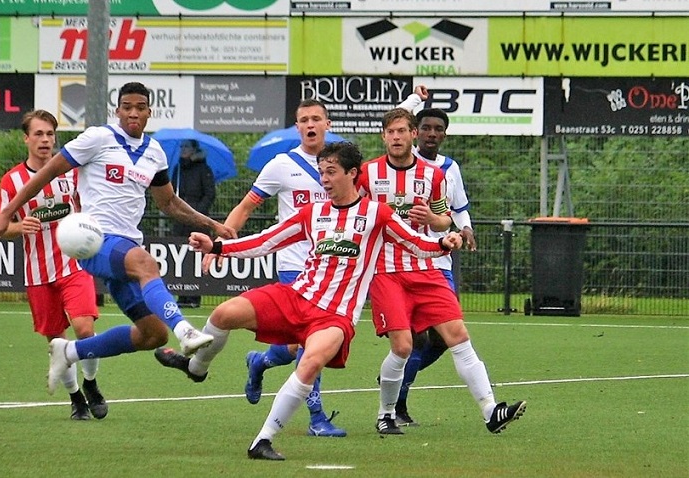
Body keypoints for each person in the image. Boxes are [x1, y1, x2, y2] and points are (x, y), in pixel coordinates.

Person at [154, 142, 462, 460]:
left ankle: (262, 440)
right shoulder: (313, 213)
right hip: (296, 296)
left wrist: (444, 241)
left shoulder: (377, 214)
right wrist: (217, 247)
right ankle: (197, 368)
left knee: (310, 364)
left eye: (331, 172)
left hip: (336, 316)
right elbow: (266, 241)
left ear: (352, 174)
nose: (324, 179)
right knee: (223, 314)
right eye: (321, 172)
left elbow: (417, 242)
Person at [0, 82, 235, 397]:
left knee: (153, 335)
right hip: (95, 241)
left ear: (149, 112)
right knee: (146, 264)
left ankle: (70, 351)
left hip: (126, 248)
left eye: (140, 107)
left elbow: (169, 203)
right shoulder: (98, 138)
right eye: (127, 107)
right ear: (117, 110)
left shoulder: (154, 153)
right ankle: (185, 330)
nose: (133, 113)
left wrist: (212, 224)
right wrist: (7, 212)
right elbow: (48, 172)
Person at [357, 108, 526, 436]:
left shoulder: (433, 175)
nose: (396, 137)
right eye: (391, 132)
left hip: (427, 267)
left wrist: (438, 224)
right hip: (386, 271)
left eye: (402, 131)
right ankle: (386, 414)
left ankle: (491, 410)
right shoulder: (367, 174)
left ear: (413, 135)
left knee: (458, 336)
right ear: (383, 136)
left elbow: (443, 218)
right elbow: (353, 212)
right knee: (403, 347)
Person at [205, 99, 346, 438]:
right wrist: (222, 240)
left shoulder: (341, 166)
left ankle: (260, 361)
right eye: (304, 120)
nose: (310, 124)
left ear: (327, 124)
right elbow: (246, 206)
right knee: (312, 341)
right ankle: (316, 417)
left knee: (296, 347)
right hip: (294, 266)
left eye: (316, 118)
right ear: (297, 127)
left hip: (330, 270)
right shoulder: (282, 165)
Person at [0, 110, 107, 420]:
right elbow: (1, 226)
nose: (45, 140)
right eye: (39, 134)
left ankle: (91, 383)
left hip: (74, 266)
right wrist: (20, 227)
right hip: (38, 273)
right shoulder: (11, 181)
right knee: (57, 341)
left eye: (50, 134)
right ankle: (76, 399)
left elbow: (88, 211)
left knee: (85, 330)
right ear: (26, 139)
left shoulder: (71, 173)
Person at [393, 107, 478, 427]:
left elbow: (459, 207)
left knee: (443, 339)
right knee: (415, 339)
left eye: (437, 129)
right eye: (426, 127)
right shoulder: (400, 165)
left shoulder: (449, 168)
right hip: (405, 261)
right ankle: (398, 404)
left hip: (440, 261)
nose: (431, 133)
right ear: (416, 132)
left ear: (444, 134)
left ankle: (395, 378)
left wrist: (466, 228)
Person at [170, 139, 215, 308]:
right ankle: (181, 294)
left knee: (197, 254)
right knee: (180, 255)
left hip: (198, 220)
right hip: (180, 219)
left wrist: (197, 213)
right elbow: (171, 192)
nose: (183, 149)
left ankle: (195, 296)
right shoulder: (178, 169)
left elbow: (210, 194)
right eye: (181, 146)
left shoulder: (204, 169)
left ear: (194, 150)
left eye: (186, 146)